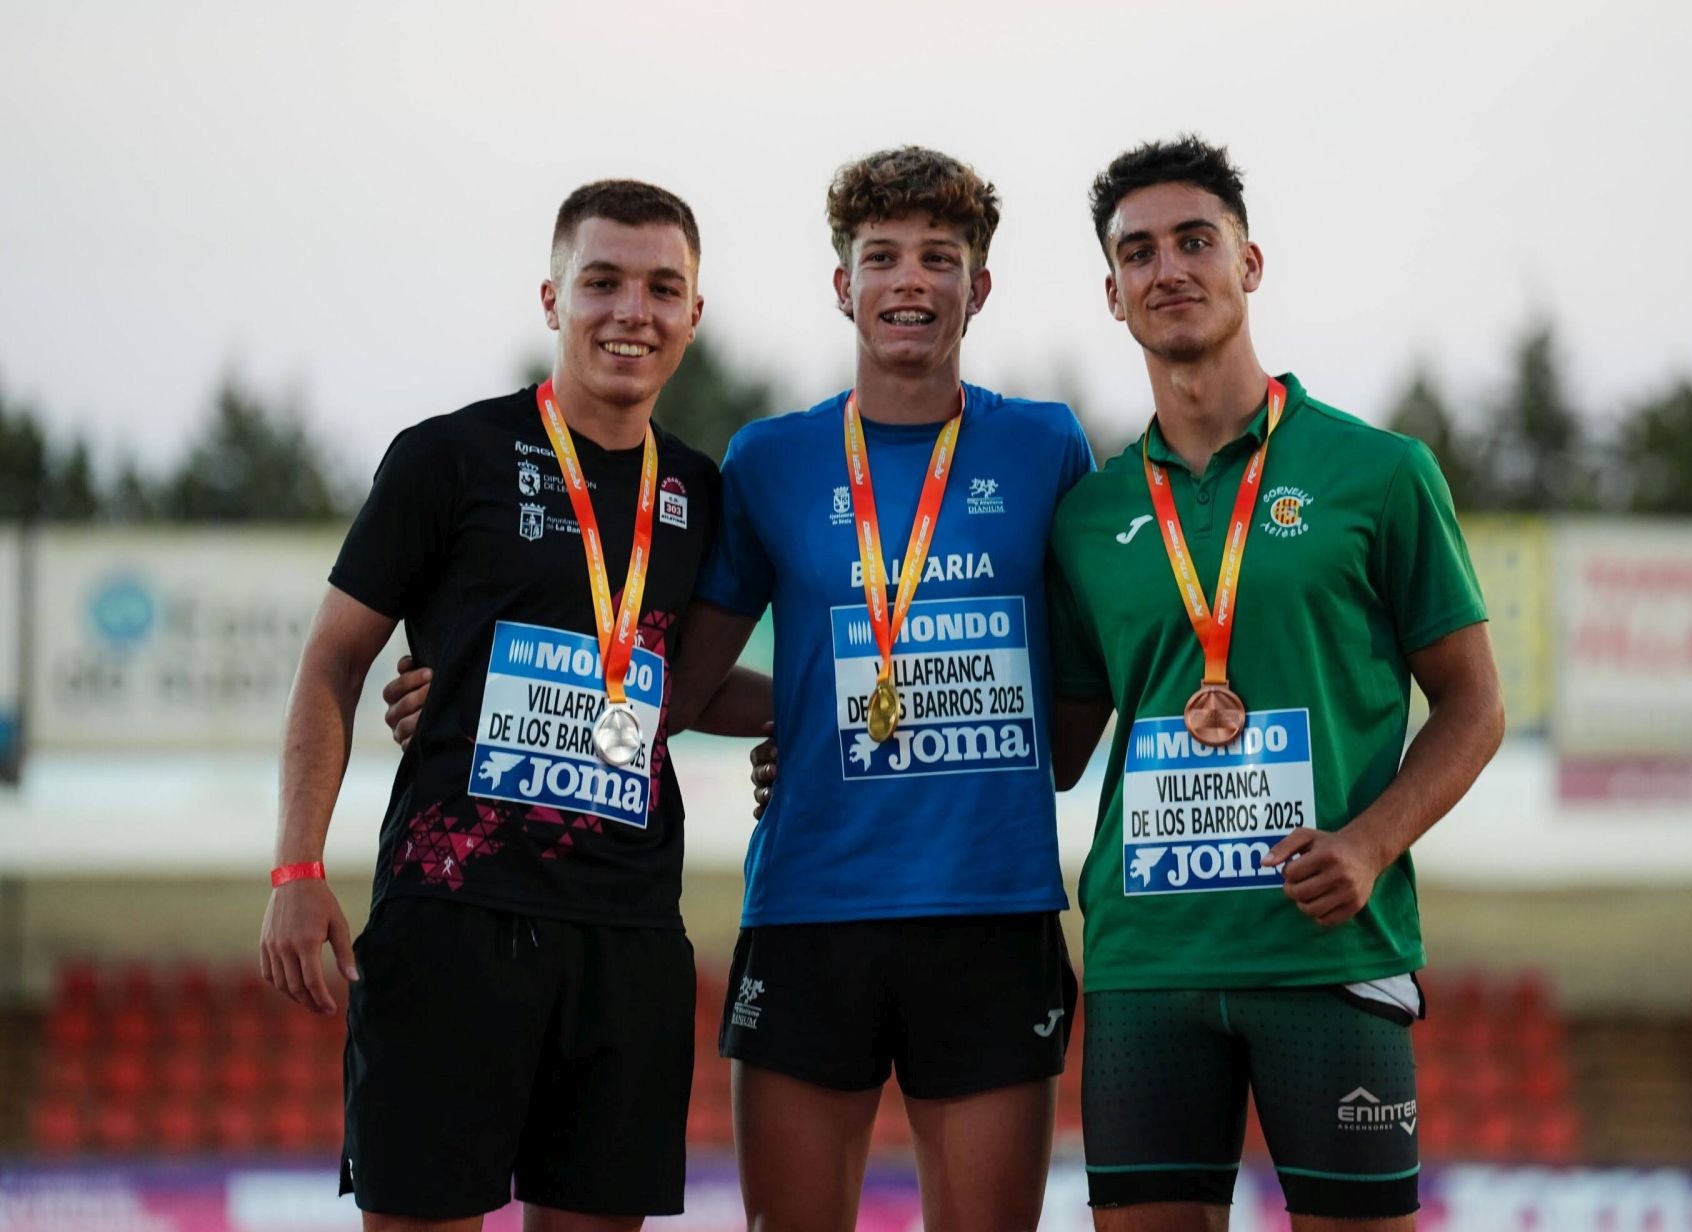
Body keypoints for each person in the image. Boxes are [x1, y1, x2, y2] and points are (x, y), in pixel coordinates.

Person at [386, 147, 1095, 1232]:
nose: (910, 280)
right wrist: (471, 690)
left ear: (978, 285)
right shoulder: (769, 460)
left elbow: (1090, 657)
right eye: (882, 256)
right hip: (811, 908)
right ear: (842, 282)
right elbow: (674, 679)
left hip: (991, 911)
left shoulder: (1048, 445)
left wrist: (1052, 750)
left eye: (939, 259)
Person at [261, 179, 768, 1232]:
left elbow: (683, 686)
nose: (634, 310)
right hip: (453, 921)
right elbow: (332, 663)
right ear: (551, 297)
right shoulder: (450, 458)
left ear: (695, 314)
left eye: (663, 287)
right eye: (604, 282)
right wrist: (298, 864)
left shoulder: (705, 493)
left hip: (627, 934)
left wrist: (830, 707)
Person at [1043, 137, 1505, 1231]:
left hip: (1326, 954)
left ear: (1250, 263)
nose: (1171, 269)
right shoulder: (1087, 515)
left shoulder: (1380, 473)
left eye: (1196, 240)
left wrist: (1371, 841)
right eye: (1140, 251)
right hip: (1144, 961)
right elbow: (1054, 744)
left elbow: (1477, 705)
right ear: (1113, 293)